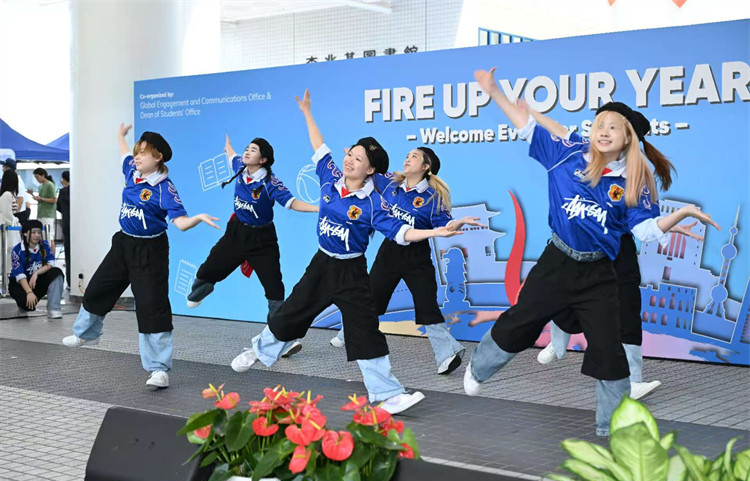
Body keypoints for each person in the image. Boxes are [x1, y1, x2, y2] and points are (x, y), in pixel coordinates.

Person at [465, 68, 719, 436]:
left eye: (613, 127)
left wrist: (680, 214)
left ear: (627, 138)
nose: (603, 131)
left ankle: (612, 427)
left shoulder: (634, 182)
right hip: (557, 262)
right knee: (521, 321)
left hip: (599, 273)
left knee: (609, 349)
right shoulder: (565, 155)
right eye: (599, 124)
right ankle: (479, 368)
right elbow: (526, 126)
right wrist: (495, 92)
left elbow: (645, 231)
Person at [229, 90, 464, 415]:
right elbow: (319, 146)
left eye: (358, 158)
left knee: (365, 329)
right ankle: (259, 349)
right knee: (294, 311)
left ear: (370, 170)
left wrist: (436, 232)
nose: (349, 160)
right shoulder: (329, 176)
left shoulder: (375, 204)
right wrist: (307, 112)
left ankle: (389, 395)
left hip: (352, 272)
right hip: (322, 264)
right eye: (349, 154)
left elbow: (401, 233)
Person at [61, 124, 219, 390]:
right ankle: (85, 333)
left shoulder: (164, 188)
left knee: (152, 306)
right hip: (123, 244)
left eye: (143, 153)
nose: (137, 157)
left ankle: (159, 369)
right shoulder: (131, 171)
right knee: (98, 288)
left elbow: (180, 222)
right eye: (137, 152)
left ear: (158, 157)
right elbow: (124, 153)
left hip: (150, 251)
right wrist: (120, 136)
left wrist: (198, 218)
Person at [329, 147, 485, 375]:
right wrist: (356, 154)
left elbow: (445, 225)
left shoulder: (433, 197)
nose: (407, 159)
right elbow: (367, 170)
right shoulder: (390, 183)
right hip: (389, 253)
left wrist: (459, 222)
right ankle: (346, 334)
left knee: (427, 305)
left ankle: (447, 355)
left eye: (414, 157)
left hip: (417, 258)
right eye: (407, 155)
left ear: (426, 166)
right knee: (370, 298)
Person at [187, 135, 318, 347]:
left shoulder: (271, 183)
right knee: (206, 271)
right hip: (236, 233)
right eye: (247, 148)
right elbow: (231, 155)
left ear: (263, 160)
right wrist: (228, 146)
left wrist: (317, 208)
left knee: (275, 289)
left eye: (253, 150)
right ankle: (199, 292)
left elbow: (292, 203)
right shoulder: (240, 167)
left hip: (262, 240)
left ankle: (281, 340)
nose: (247, 151)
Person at [8, 219, 65, 318]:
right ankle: (22, 307)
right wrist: (29, 292)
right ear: (25, 233)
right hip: (20, 284)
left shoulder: (45, 245)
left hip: (36, 281)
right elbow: (20, 274)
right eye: (33, 232)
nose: (37, 235)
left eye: (39, 232)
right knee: (27, 305)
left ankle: (54, 308)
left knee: (56, 272)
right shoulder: (17, 250)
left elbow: (51, 263)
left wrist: (36, 273)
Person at [29, 167, 57, 252]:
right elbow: (41, 199)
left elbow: (54, 199)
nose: (37, 179)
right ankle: (45, 255)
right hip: (41, 214)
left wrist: (41, 198)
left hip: (48, 214)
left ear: (43, 175)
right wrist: (33, 195)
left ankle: (52, 256)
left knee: (49, 237)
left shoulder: (50, 185)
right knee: (43, 237)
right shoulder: (41, 186)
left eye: (37, 177)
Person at [1, 169, 22, 273]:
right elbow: (6, 213)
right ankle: (8, 274)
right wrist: (16, 220)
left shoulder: (9, 194)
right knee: (8, 251)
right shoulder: (7, 195)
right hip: (8, 227)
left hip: (10, 227)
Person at [1, 156, 29, 224]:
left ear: (8, 168)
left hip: (15, 217)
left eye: (3, 167)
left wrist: (16, 216)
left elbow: (20, 198)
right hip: (10, 219)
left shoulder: (17, 181)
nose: (2, 169)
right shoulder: (8, 193)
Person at [57, 171, 71, 288]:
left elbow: (58, 207)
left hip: (67, 224)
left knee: (68, 253)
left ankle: (70, 281)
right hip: (81, 225)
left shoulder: (63, 191)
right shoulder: (78, 191)